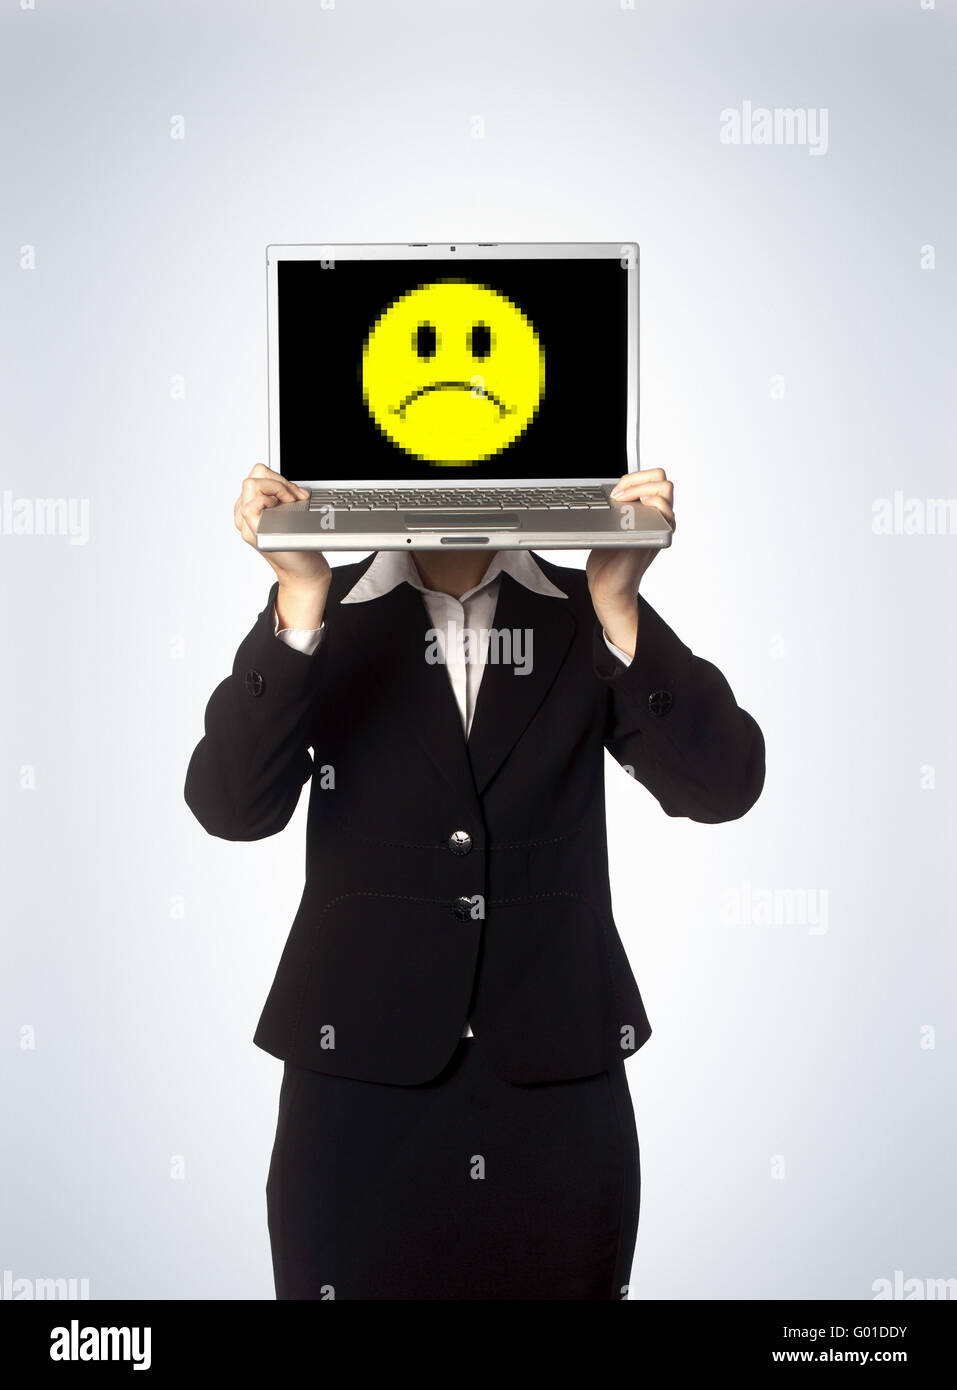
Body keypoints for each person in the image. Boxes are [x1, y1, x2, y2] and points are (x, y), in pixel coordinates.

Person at [184, 462, 766, 1300]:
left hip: (555, 1096)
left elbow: (722, 786)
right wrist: (300, 602)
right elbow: (231, 805)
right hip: (354, 1095)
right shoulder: (326, 612)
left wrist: (619, 607)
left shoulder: (579, 613)